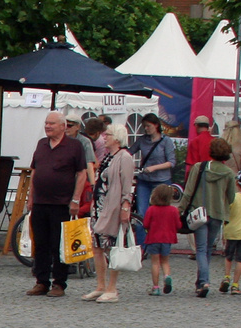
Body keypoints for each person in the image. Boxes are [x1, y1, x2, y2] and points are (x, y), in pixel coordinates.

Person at [27, 111, 89, 297]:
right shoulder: (41, 144)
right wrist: (31, 197)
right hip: (40, 202)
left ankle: (59, 283)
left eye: (52, 123)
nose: (48, 126)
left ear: (63, 126)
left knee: (58, 244)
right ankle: (41, 281)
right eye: (46, 123)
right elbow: (34, 172)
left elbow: (81, 174)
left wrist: (76, 199)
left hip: (61, 203)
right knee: (40, 243)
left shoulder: (74, 146)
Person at [82, 122, 136, 303]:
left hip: (113, 207)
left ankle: (112, 287)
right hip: (100, 206)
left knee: (112, 246)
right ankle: (100, 285)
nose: (105, 137)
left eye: (109, 135)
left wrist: (125, 207)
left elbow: (127, 185)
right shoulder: (107, 157)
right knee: (97, 245)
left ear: (118, 139)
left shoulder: (125, 157)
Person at [180, 136, 236, 297]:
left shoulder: (199, 167)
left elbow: (188, 191)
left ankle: (203, 282)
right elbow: (231, 197)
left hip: (199, 213)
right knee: (208, 250)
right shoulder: (229, 174)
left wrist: (181, 209)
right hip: (217, 214)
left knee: (201, 249)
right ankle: (200, 282)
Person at [132, 113, 174, 227]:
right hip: (144, 180)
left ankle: (160, 241)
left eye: (148, 126)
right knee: (141, 212)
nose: (146, 129)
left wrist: (154, 167)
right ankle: (142, 243)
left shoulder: (166, 141)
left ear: (156, 125)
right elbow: (130, 152)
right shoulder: (142, 140)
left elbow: (171, 162)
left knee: (161, 213)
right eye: (144, 126)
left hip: (161, 180)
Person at [142, 184, 179, 295]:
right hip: (167, 239)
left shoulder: (151, 209)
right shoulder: (173, 210)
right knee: (165, 261)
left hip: (154, 238)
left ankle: (156, 287)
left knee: (155, 263)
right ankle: (167, 276)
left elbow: (145, 224)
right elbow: (178, 225)